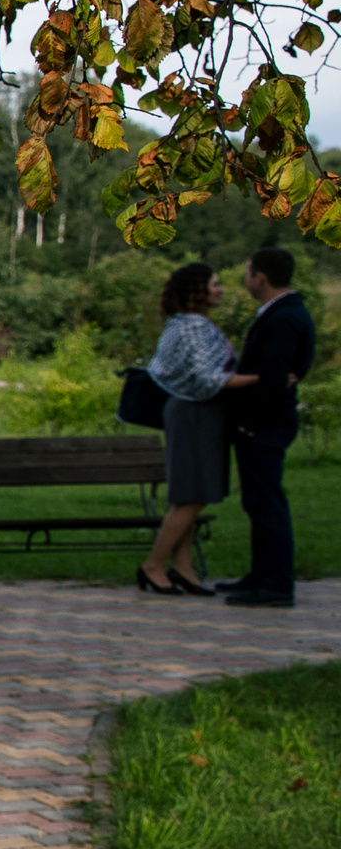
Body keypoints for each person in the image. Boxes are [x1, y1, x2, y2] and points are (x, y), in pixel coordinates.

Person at [137, 262, 257, 595]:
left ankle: (183, 568)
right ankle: (153, 566)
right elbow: (208, 379)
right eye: (215, 284)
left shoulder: (183, 324)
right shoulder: (194, 328)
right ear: (196, 292)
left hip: (193, 413)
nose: (221, 289)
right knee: (192, 496)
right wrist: (260, 380)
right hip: (196, 413)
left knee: (189, 493)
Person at [217, 246, 318, 607]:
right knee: (258, 501)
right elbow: (296, 368)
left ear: (259, 276)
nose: (245, 278)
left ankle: (275, 583)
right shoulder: (288, 312)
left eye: (247, 271)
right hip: (267, 422)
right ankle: (262, 574)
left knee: (266, 503)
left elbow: (274, 375)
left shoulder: (283, 318)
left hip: (264, 424)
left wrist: (250, 420)